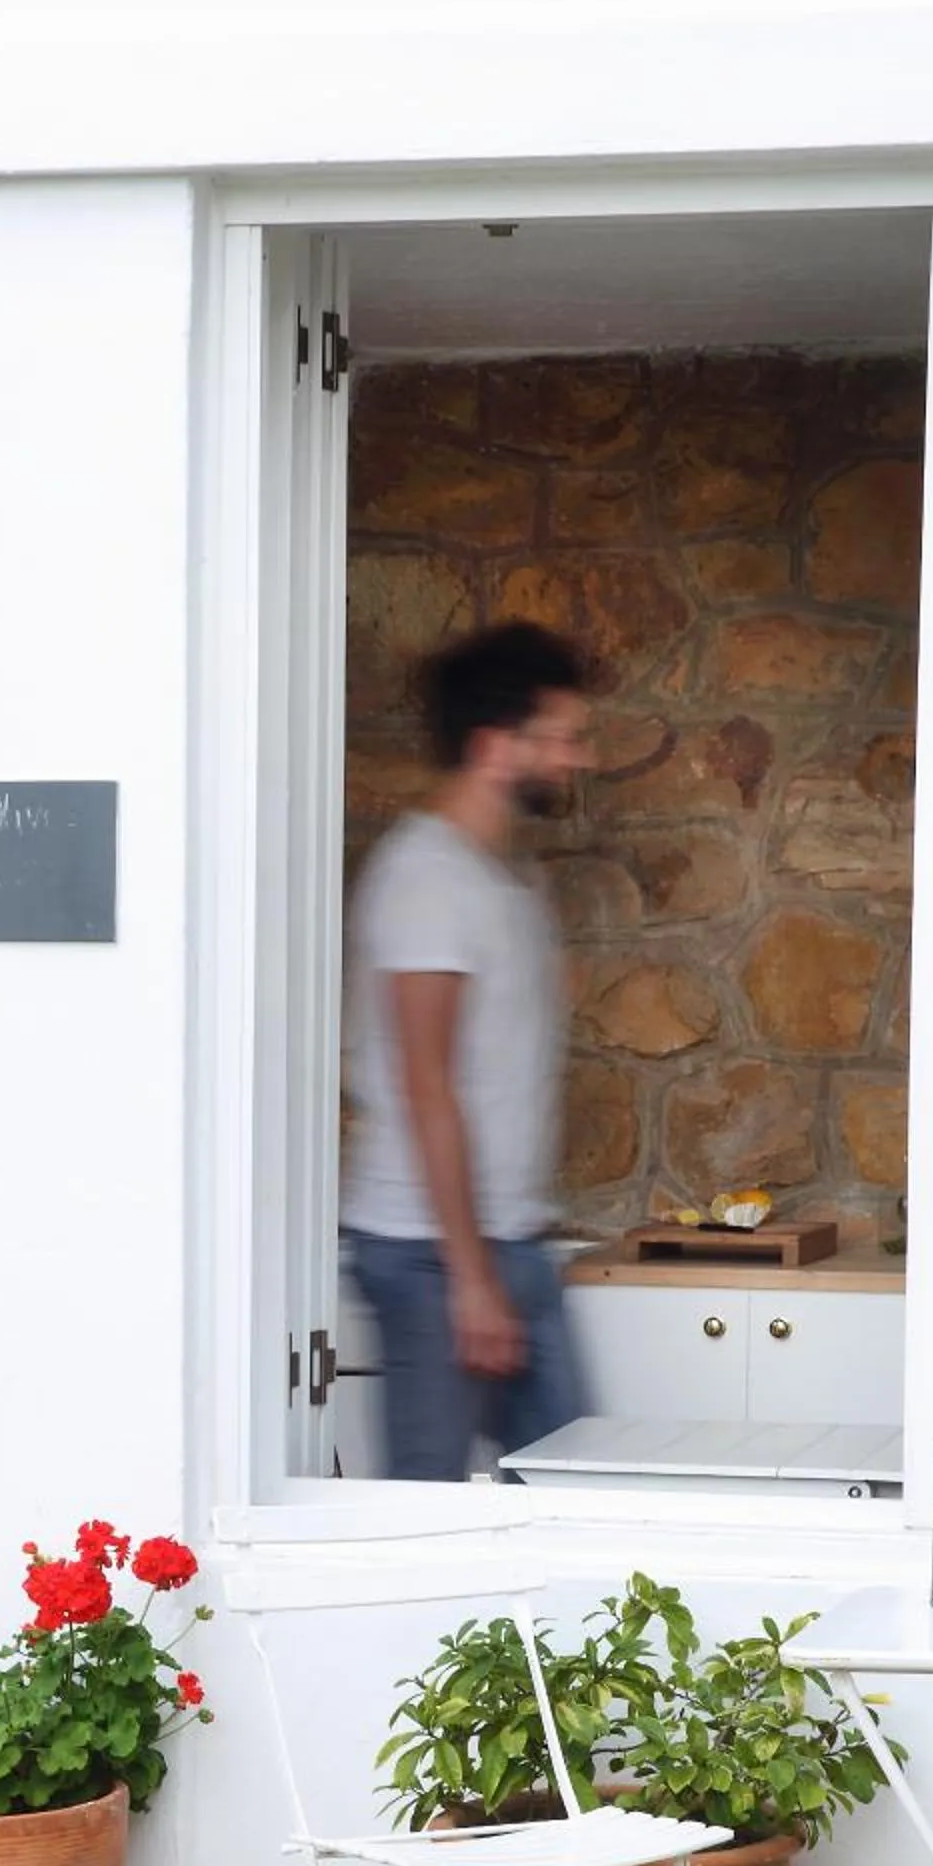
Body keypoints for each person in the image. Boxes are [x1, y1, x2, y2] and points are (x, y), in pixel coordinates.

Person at [341, 620, 591, 1480]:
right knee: (426, 1510)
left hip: (504, 1242)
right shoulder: (426, 880)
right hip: (428, 1255)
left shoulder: (511, 878)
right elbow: (426, 1086)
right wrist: (471, 1278)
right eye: (561, 738)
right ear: (495, 747)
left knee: (569, 1486)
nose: (577, 758)